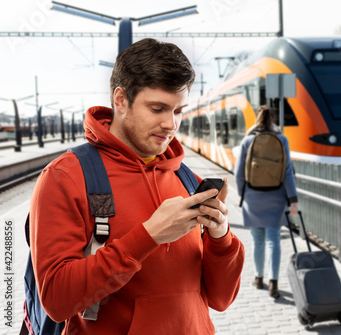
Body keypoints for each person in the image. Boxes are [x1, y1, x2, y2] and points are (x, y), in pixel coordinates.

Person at [30, 38, 245, 334]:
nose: (171, 124)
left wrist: (221, 239)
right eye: (157, 108)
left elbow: (221, 299)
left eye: (179, 111)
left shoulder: (186, 179)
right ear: (120, 100)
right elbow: (56, 300)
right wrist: (148, 236)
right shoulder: (66, 177)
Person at [234, 105, 298, 299]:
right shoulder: (282, 140)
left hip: (253, 198)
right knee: (273, 241)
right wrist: (292, 200)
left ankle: (258, 278)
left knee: (257, 240)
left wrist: (242, 195)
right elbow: (288, 173)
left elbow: (238, 174)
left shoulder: (247, 141)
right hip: (276, 197)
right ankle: (274, 283)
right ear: (273, 121)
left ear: (258, 120)